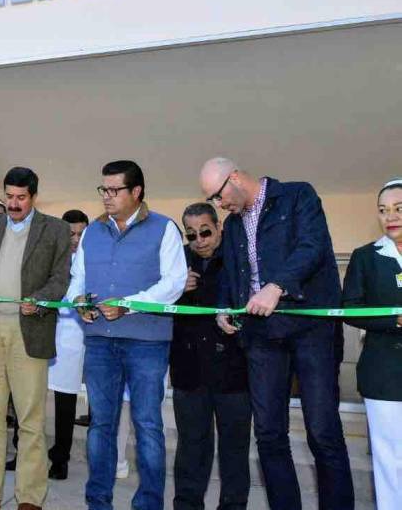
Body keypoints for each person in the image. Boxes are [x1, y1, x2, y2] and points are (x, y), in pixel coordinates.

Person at [200, 157, 353, 510]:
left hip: (310, 331)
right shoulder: (235, 225)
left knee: (322, 432)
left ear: (235, 177)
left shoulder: (298, 196)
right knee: (269, 434)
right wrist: (225, 306)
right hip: (261, 337)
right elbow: (231, 273)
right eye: (212, 200)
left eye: (218, 195)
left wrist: (277, 286)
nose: (218, 204)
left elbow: (312, 247)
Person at [72, 160, 187, 510]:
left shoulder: (164, 228)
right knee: (100, 425)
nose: (106, 197)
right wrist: (77, 300)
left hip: (146, 344)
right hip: (99, 341)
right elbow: (78, 277)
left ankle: (149, 504)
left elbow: (174, 283)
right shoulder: (92, 231)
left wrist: (129, 305)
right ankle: (98, 502)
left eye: (114, 190)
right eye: (103, 190)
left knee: (148, 424)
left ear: (136, 192)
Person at [0, 167, 71, 510]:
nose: (14, 203)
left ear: (34, 196)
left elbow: (61, 278)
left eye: (21, 197)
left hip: (29, 332)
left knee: (30, 420)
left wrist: (39, 299)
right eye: (9, 196)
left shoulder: (56, 229)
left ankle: (30, 497)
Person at [170, 203, 251, 510]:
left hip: (234, 372)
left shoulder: (238, 259)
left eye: (206, 232)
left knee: (234, 449)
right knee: (190, 447)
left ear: (218, 228)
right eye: (192, 235)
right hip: (189, 371)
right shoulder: (176, 263)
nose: (200, 240)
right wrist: (176, 288)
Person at [342, 178, 402, 510]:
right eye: (383, 210)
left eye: (398, 209)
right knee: (389, 457)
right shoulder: (366, 257)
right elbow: (350, 308)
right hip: (385, 373)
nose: (390, 216)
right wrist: (394, 320)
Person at [46, 209, 89, 481]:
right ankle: (24, 453)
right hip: (43, 331)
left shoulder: (90, 261)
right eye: (70, 233)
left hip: (74, 335)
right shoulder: (51, 257)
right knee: (29, 397)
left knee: (65, 400)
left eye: (80, 233)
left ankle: (60, 458)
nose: (75, 239)